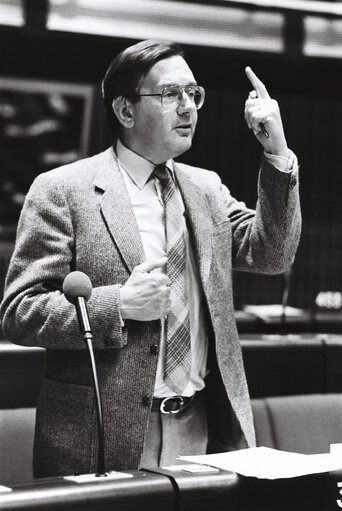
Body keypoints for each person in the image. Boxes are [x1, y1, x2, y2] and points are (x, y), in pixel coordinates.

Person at [0, 39, 301, 478]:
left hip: (203, 426)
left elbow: (272, 254)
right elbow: (18, 311)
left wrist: (277, 152)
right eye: (170, 95)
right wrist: (117, 304)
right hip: (104, 434)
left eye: (193, 94)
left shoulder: (206, 189)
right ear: (125, 111)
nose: (188, 108)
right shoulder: (64, 190)